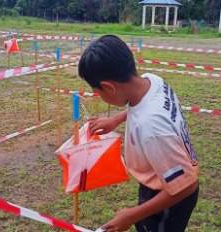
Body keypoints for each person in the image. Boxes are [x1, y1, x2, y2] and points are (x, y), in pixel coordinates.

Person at [78, 35, 199, 232]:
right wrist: (116, 119)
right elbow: (143, 107)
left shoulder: (152, 128)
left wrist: (133, 215)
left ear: (109, 86)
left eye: (98, 92)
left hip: (170, 197)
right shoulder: (152, 81)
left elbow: (186, 186)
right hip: (165, 178)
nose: (100, 97)